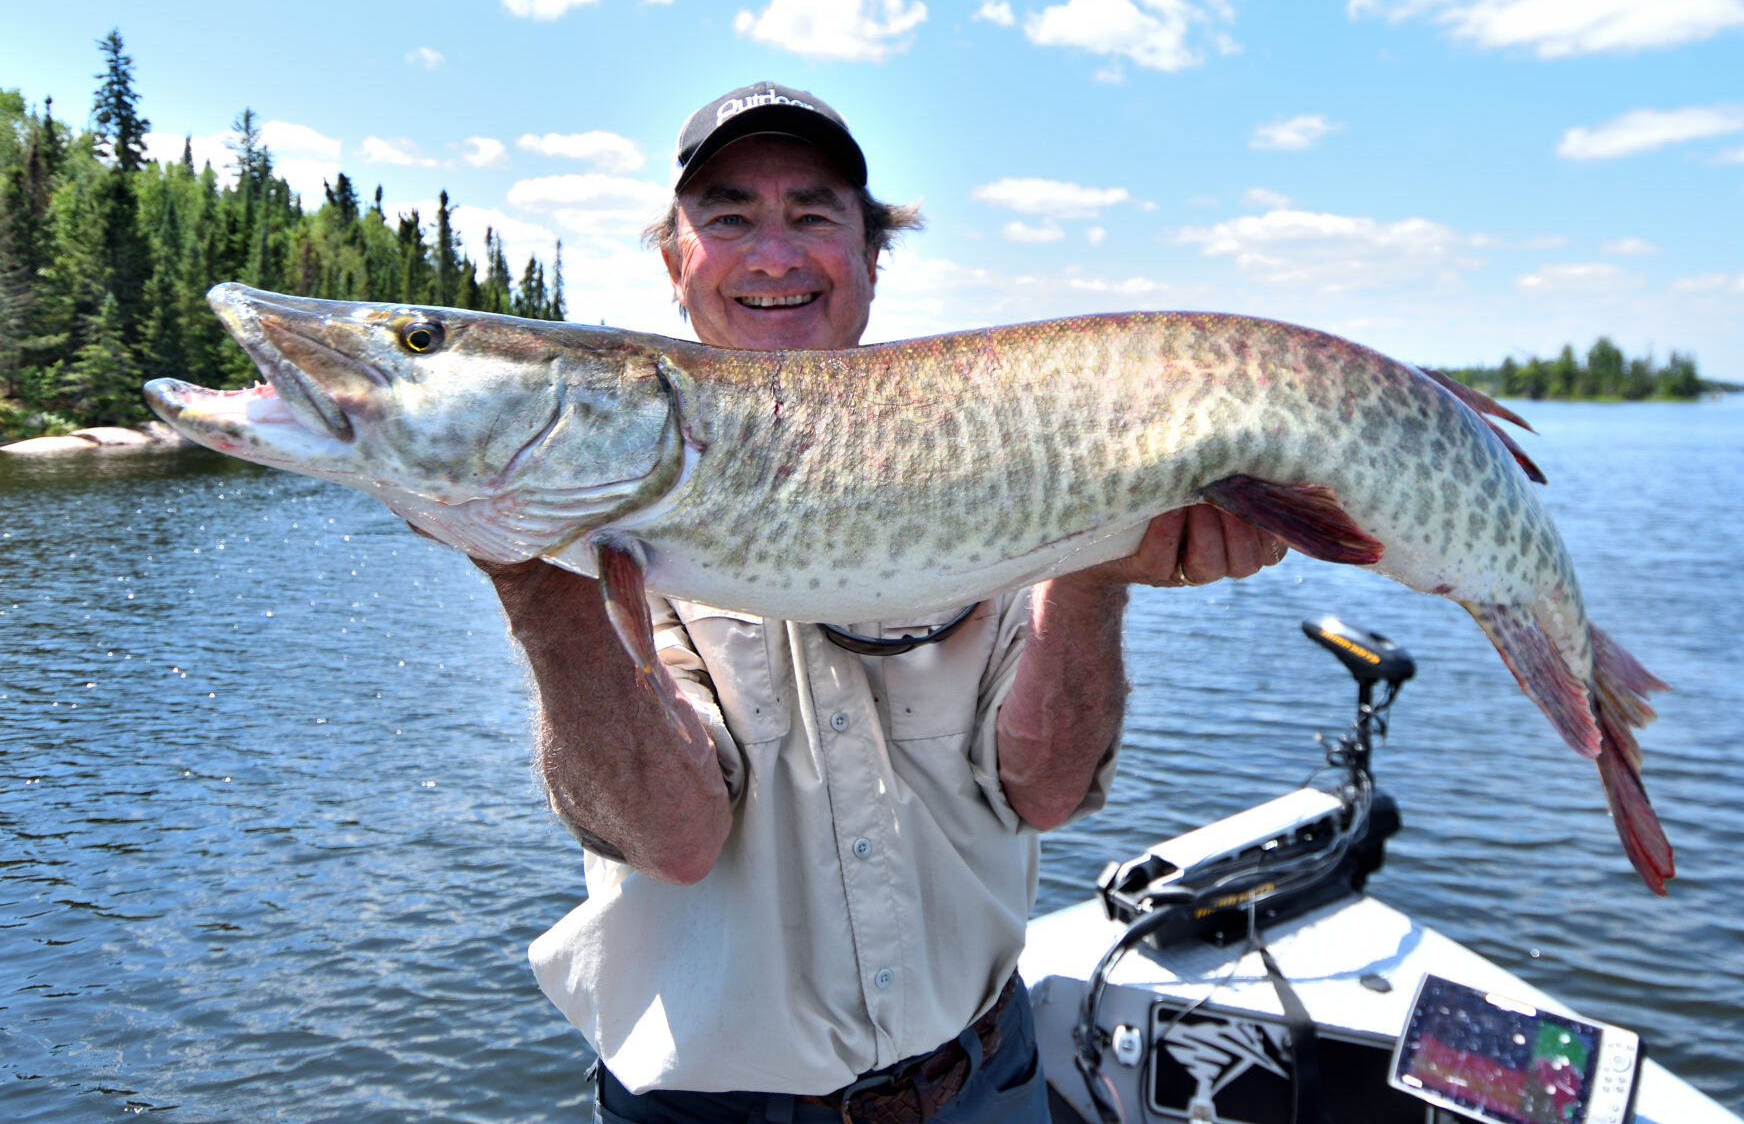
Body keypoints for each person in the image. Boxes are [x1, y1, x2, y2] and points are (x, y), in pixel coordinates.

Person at [473, 82, 1285, 1122]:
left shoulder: (993, 459)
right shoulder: (618, 492)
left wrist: (1093, 563)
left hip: (985, 1081)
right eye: (727, 217)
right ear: (675, 261)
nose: (773, 253)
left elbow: (1043, 789)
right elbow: (673, 837)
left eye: (813, 215)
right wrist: (530, 576)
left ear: (870, 258)